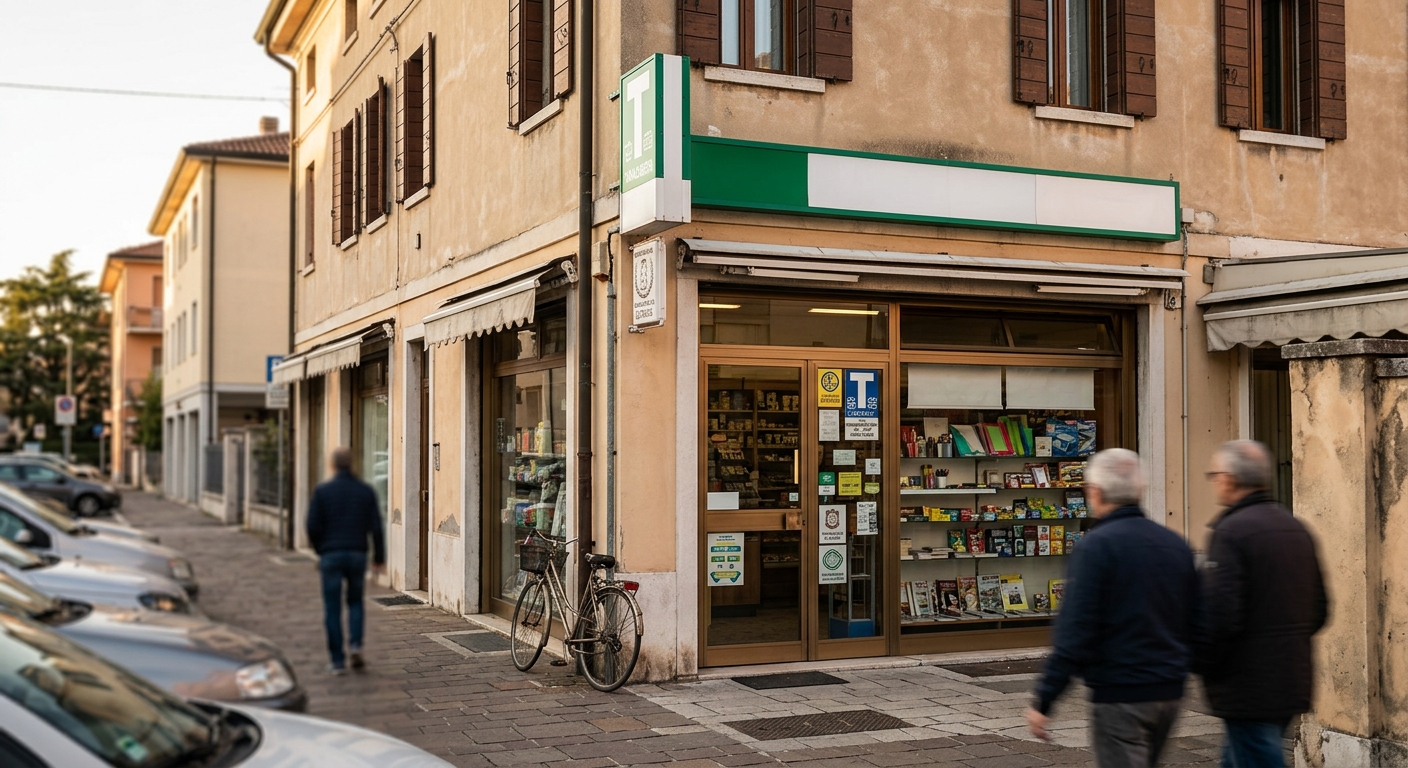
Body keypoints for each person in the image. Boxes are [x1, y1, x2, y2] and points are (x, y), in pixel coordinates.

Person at [1026, 448, 1200, 767]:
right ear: (1139, 490)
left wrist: (1045, 700)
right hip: (1169, 690)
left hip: (1120, 692)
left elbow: (1075, 630)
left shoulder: (1096, 546)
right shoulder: (1175, 545)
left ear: (1095, 492)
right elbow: (1198, 620)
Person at [1200, 440, 1328, 768]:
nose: (1214, 481)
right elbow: (1319, 609)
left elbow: (1220, 615)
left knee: (1256, 754)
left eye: (1214, 474)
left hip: (1248, 684)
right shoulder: (1295, 528)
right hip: (1289, 677)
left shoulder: (1231, 533)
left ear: (1229, 478)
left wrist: (1203, 662)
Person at [306, 447, 386, 674]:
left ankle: (338, 661)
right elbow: (376, 527)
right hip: (357, 554)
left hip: (331, 554)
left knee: (332, 608)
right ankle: (356, 645)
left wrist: (320, 549)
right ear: (352, 464)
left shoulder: (323, 491)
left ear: (332, 465)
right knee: (355, 602)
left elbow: (312, 525)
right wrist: (379, 557)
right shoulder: (365, 491)